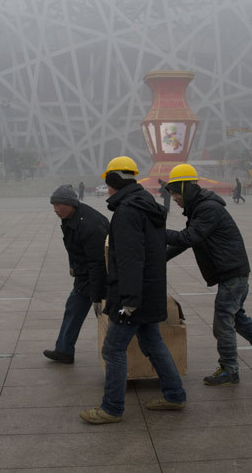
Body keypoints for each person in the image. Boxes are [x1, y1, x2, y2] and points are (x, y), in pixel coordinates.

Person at [80, 156, 186, 424]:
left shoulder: (127, 211)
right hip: (149, 291)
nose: (107, 188)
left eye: (108, 182)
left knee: (113, 349)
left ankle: (112, 408)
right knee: (153, 343)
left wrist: (128, 301)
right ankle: (174, 395)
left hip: (133, 295)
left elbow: (130, 259)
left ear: (114, 181)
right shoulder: (146, 204)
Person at [164, 164, 252, 386]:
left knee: (222, 321)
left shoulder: (208, 208)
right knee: (235, 317)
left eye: (175, 192)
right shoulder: (200, 208)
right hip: (232, 272)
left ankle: (229, 368)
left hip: (232, 273)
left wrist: (155, 233)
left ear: (186, 188)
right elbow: (187, 240)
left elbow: (189, 237)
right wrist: (161, 258)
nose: (174, 198)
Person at [44, 184, 109, 364]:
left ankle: (123, 356)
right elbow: (74, 247)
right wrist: (73, 265)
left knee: (106, 318)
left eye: (59, 205)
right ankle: (64, 350)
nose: (56, 210)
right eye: (53, 205)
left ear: (71, 203)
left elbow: (98, 263)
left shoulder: (89, 224)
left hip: (100, 276)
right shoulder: (71, 217)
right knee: (73, 310)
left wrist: (96, 296)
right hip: (85, 274)